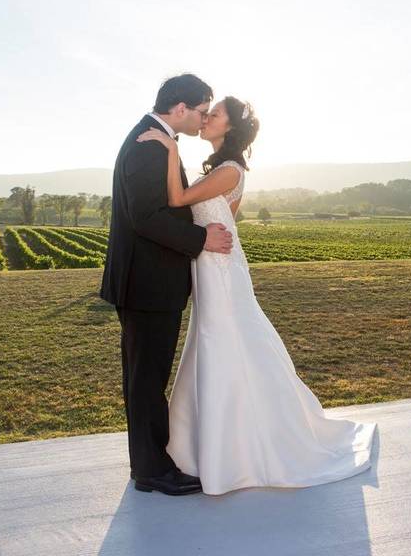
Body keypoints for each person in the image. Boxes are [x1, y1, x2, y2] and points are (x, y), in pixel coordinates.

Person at [135, 95, 376, 496]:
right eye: (206, 113)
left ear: (229, 128)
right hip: (209, 263)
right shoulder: (220, 168)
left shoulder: (230, 171)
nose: (206, 118)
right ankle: (210, 445)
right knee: (217, 341)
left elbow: (177, 200)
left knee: (227, 341)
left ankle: (241, 449)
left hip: (221, 272)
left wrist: (170, 148)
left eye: (214, 115)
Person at [100, 74, 233, 496]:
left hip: (151, 281)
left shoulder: (157, 139)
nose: (202, 119)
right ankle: (152, 470)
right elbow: (146, 217)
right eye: (199, 111)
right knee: (145, 381)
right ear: (180, 108)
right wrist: (201, 239)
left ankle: (151, 463)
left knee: (146, 378)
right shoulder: (148, 143)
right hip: (146, 284)